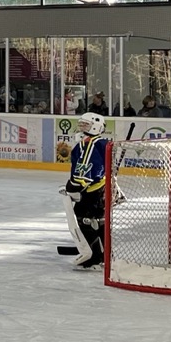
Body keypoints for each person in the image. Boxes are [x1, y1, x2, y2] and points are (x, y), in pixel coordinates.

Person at [62, 113, 111, 270]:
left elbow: (89, 170)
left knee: (84, 219)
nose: (82, 127)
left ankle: (92, 258)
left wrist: (75, 184)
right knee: (100, 220)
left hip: (91, 191)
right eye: (82, 124)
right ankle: (105, 256)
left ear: (96, 126)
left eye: (86, 124)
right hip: (101, 189)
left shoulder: (91, 144)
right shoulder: (102, 143)